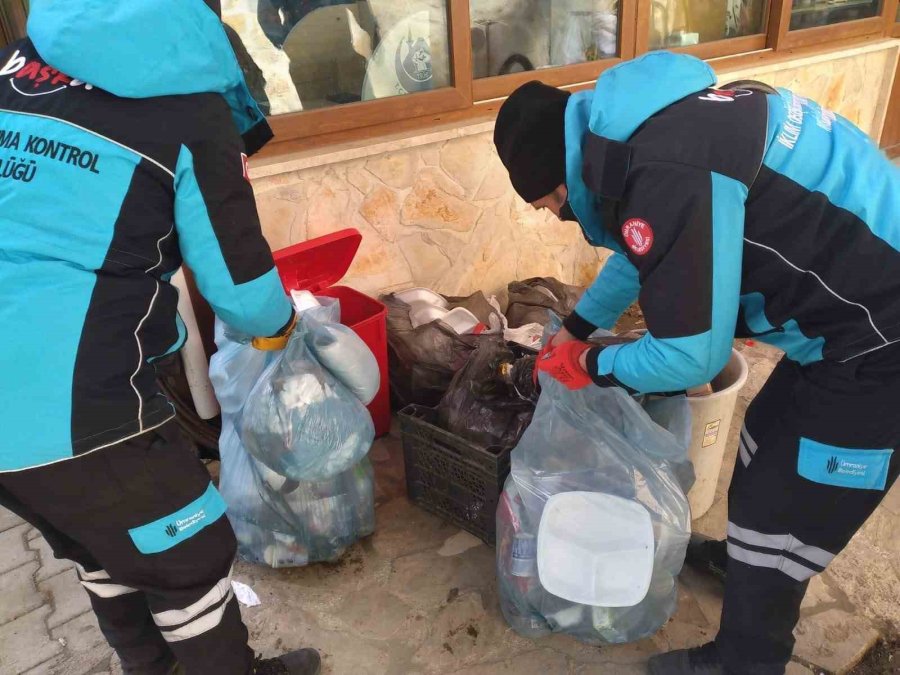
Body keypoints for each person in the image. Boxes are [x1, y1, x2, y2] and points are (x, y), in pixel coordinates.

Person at [493, 52, 900, 674]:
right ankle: (747, 568)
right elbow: (645, 248)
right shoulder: (654, 131)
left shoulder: (666, 170)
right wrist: (574, 329)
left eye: (548, 205)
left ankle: (746, 659)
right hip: (842, 325)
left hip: (881, 343)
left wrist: (594, 366)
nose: (558, 217)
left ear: (556, 180)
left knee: (785, 505)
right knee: (765, 437)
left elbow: (690, 357)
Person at [0, 1, 320, 674]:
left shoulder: (17, 68)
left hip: (22, 423)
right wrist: (284, 329)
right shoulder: (191, 110)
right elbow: (244, 294)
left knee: (101, 541)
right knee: (189, 553)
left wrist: (163, 331)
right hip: (72, 403)